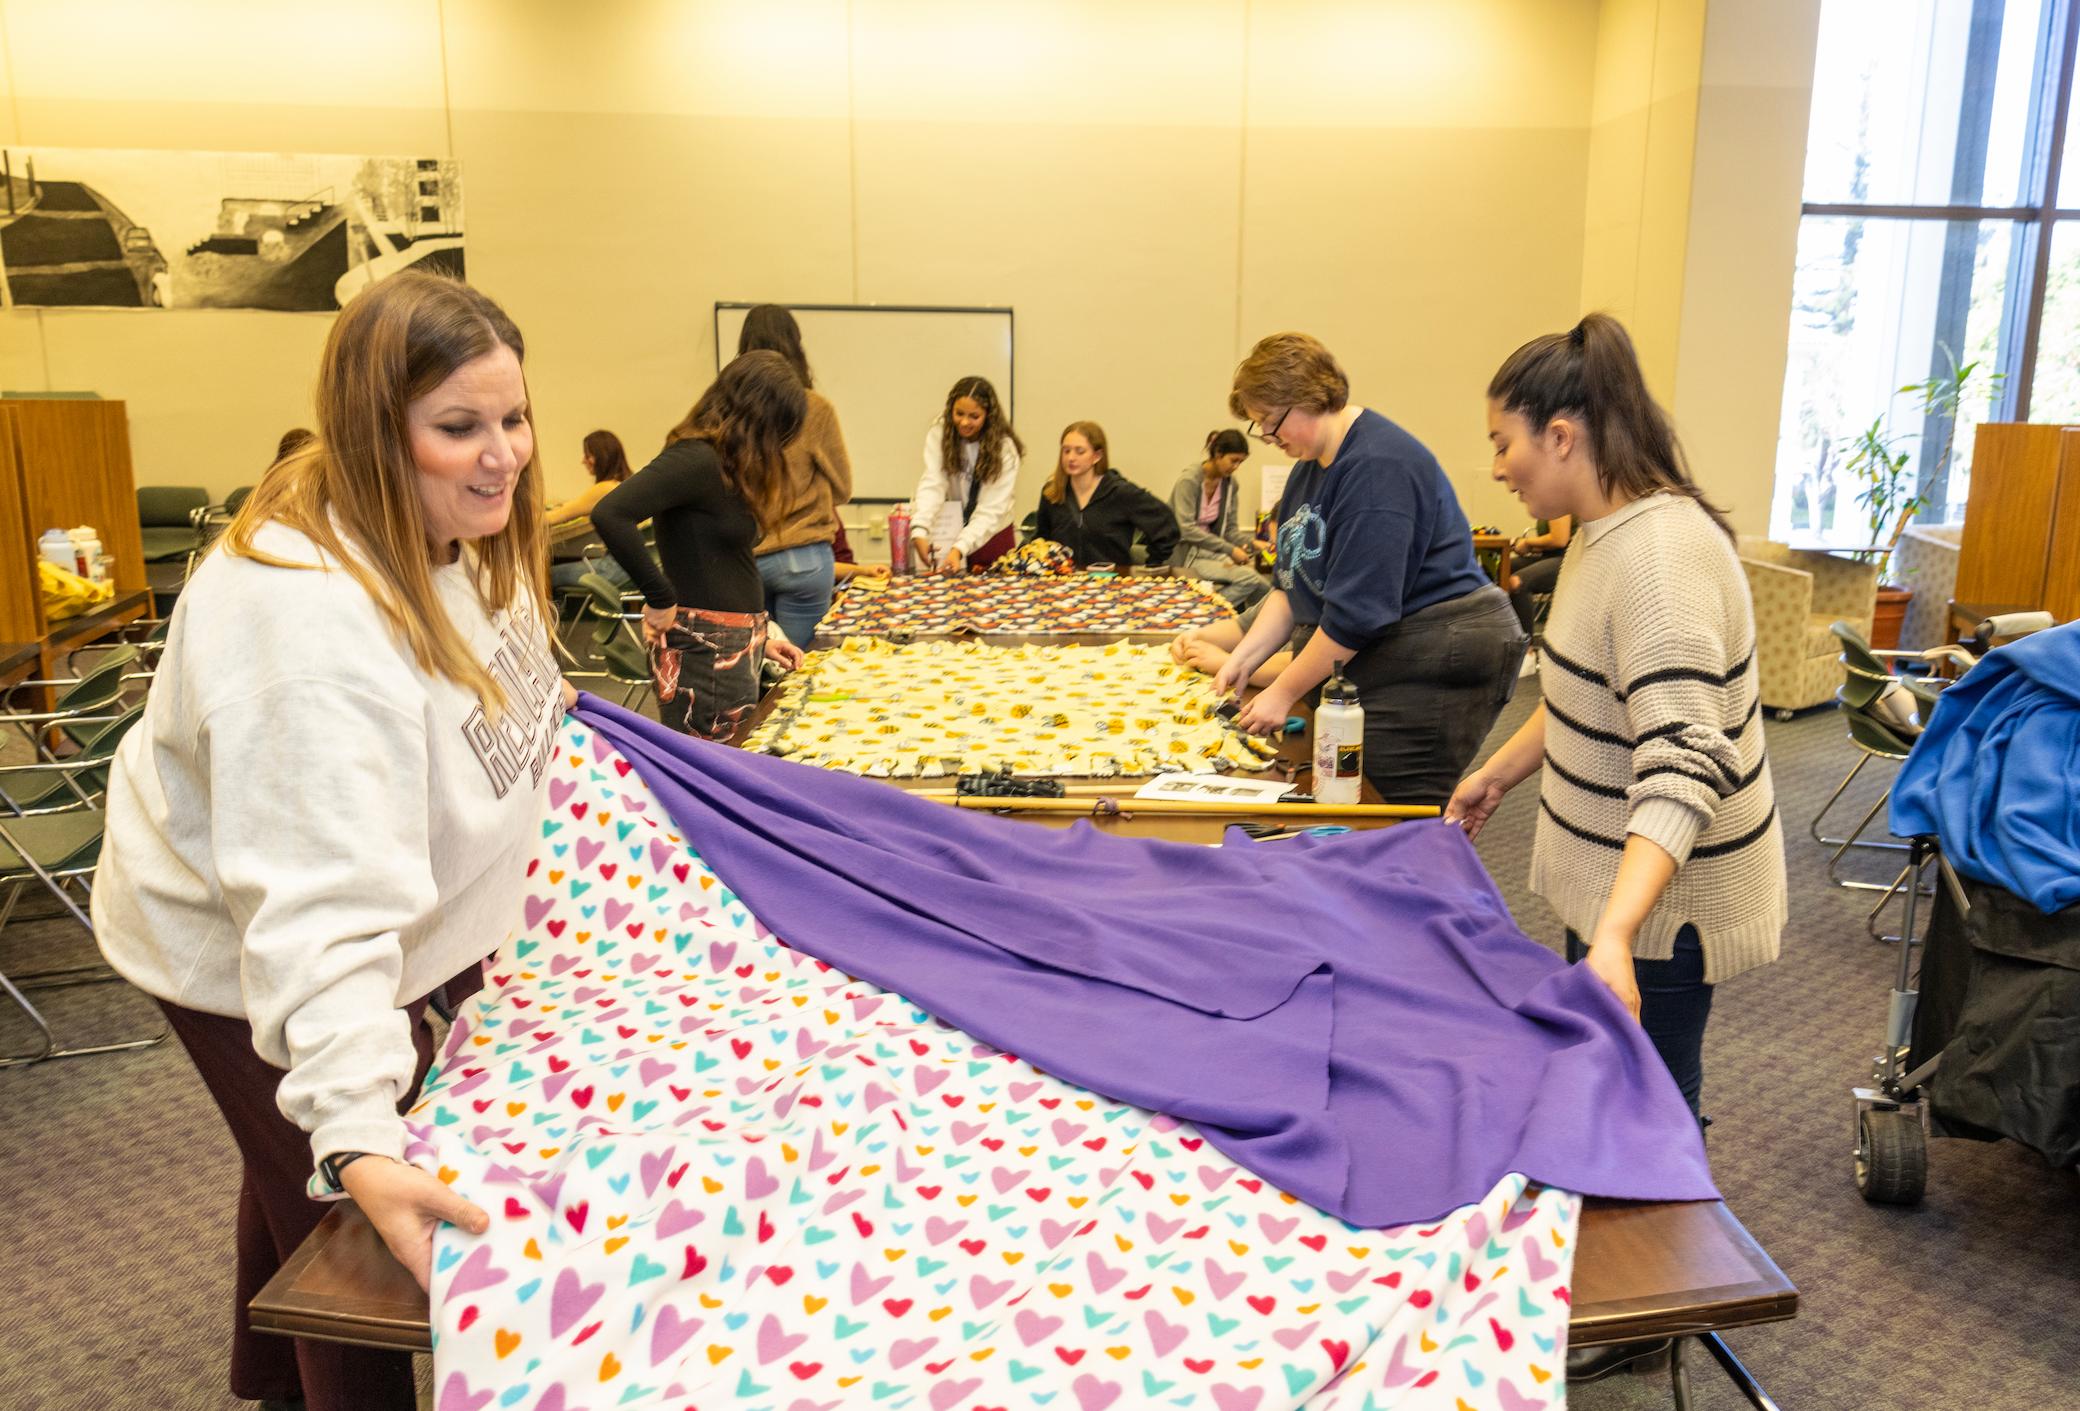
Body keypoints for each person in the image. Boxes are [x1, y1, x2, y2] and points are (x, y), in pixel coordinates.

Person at [92, 271, 572, 1411]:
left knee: (291, 1157)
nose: (501, 452)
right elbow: (317, 911)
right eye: (458, 428)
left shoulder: (455, 527)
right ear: (373, 433)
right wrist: (361, 1135)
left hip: (362, 908)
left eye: (511, 417)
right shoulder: (304, 632)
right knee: (358, 1215)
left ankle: (265, 1378)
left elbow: (517, 715)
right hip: (235, 947)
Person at [1445, 312, 1785, 1119]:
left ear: (1560, 437)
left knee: (1649, 1111)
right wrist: (1497, 772)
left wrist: (1619, 930)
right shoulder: (1603, 534)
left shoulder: (1659, 562)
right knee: (1610, 1089)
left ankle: (1674, 1248)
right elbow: (1586, 692)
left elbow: (1683, 764)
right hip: (1617, 893)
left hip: (1662, 910)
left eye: (1503, 443)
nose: (1497, 468)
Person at [1213, 333, 1526, 804]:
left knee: (1383, 799)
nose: (1268, 437)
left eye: (1269, 422)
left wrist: (1281, 691)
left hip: (1440, 650)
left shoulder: (1377, 467)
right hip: (1390, 643)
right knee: (1342, 783)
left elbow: (1356, 615)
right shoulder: (1308, 467)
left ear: (1308, 398)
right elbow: (1288, 586)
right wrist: (1245, 657)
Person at [592, 350, 807, 742]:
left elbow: (722, 564)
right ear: (754, 415)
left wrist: (760, 641)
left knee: (732, 765)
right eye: (775, 430)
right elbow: (610, 513)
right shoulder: (695, 459)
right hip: (705, 656)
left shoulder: (725, 465)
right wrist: (660, 598)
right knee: (714, 776)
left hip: (729, 650)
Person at [738, 305, 853, 642]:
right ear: (796, 346)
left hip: (746, 559)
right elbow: (844, 489)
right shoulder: (814, 408)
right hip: (805, 557)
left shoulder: (729, 411)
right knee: (798, 673)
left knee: (751, 672)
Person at [911, 376, 1023, 573]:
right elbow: (933, 482)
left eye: (974, 416)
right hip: (952, 528)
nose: (964, 422)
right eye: (959, 413)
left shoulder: (1004, 449)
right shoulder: (941, 432)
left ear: (988, 415)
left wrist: (960, 548)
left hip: (992, 536)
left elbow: (991, 510)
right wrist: (919, 529)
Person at [1032, 421, 1179, 569]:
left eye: (1080, 451)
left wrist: (1153, 563)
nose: (1071, 458)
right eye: (1066, 451)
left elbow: (1166, 526)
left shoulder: (1121, 492)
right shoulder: (1051, 493)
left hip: (1111, 582)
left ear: (1097, 456)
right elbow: (1042, 540)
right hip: (1063, 581)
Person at [1169, 428, 1269, 609]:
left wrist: (1253, 543)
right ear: (1217, 454)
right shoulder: (1189, 481)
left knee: (1264, 587)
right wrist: (1230, 550)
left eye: (1241, 462)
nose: (1236, 467)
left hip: (1211, 552)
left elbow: (1230, 530)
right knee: (1248, 579)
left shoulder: (1230, 484)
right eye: (1233, 460)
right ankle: (1199, 610)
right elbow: (1186, 529)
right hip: (1186, 555)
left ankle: (1260, 630)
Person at [545, 429, 633, 592]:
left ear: (602, 457)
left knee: (545, 575)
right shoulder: (621, 484)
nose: (583, 461)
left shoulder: (604, 488)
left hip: (615, 569)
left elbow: (553, 518)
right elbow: (576, 506)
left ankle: (550, 617)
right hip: (632, 568)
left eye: (588, 455)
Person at [1170, 598, 1294, 685]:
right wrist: (1197, 636)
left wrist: (1228, 662)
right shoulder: (1289, 581)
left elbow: (1298, 667)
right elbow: (1242, 627)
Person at [1504, 513, 1571, 634]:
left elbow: (1559, 540)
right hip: (1550, 556)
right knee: (1502, 569)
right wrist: (1522, 544)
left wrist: (1528, 543)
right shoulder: (1547, 503)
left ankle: (1526, 648)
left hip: (1569, 559)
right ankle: (1506, 634)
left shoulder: (1555, 498)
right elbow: (1550, 546)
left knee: (1517, 582)